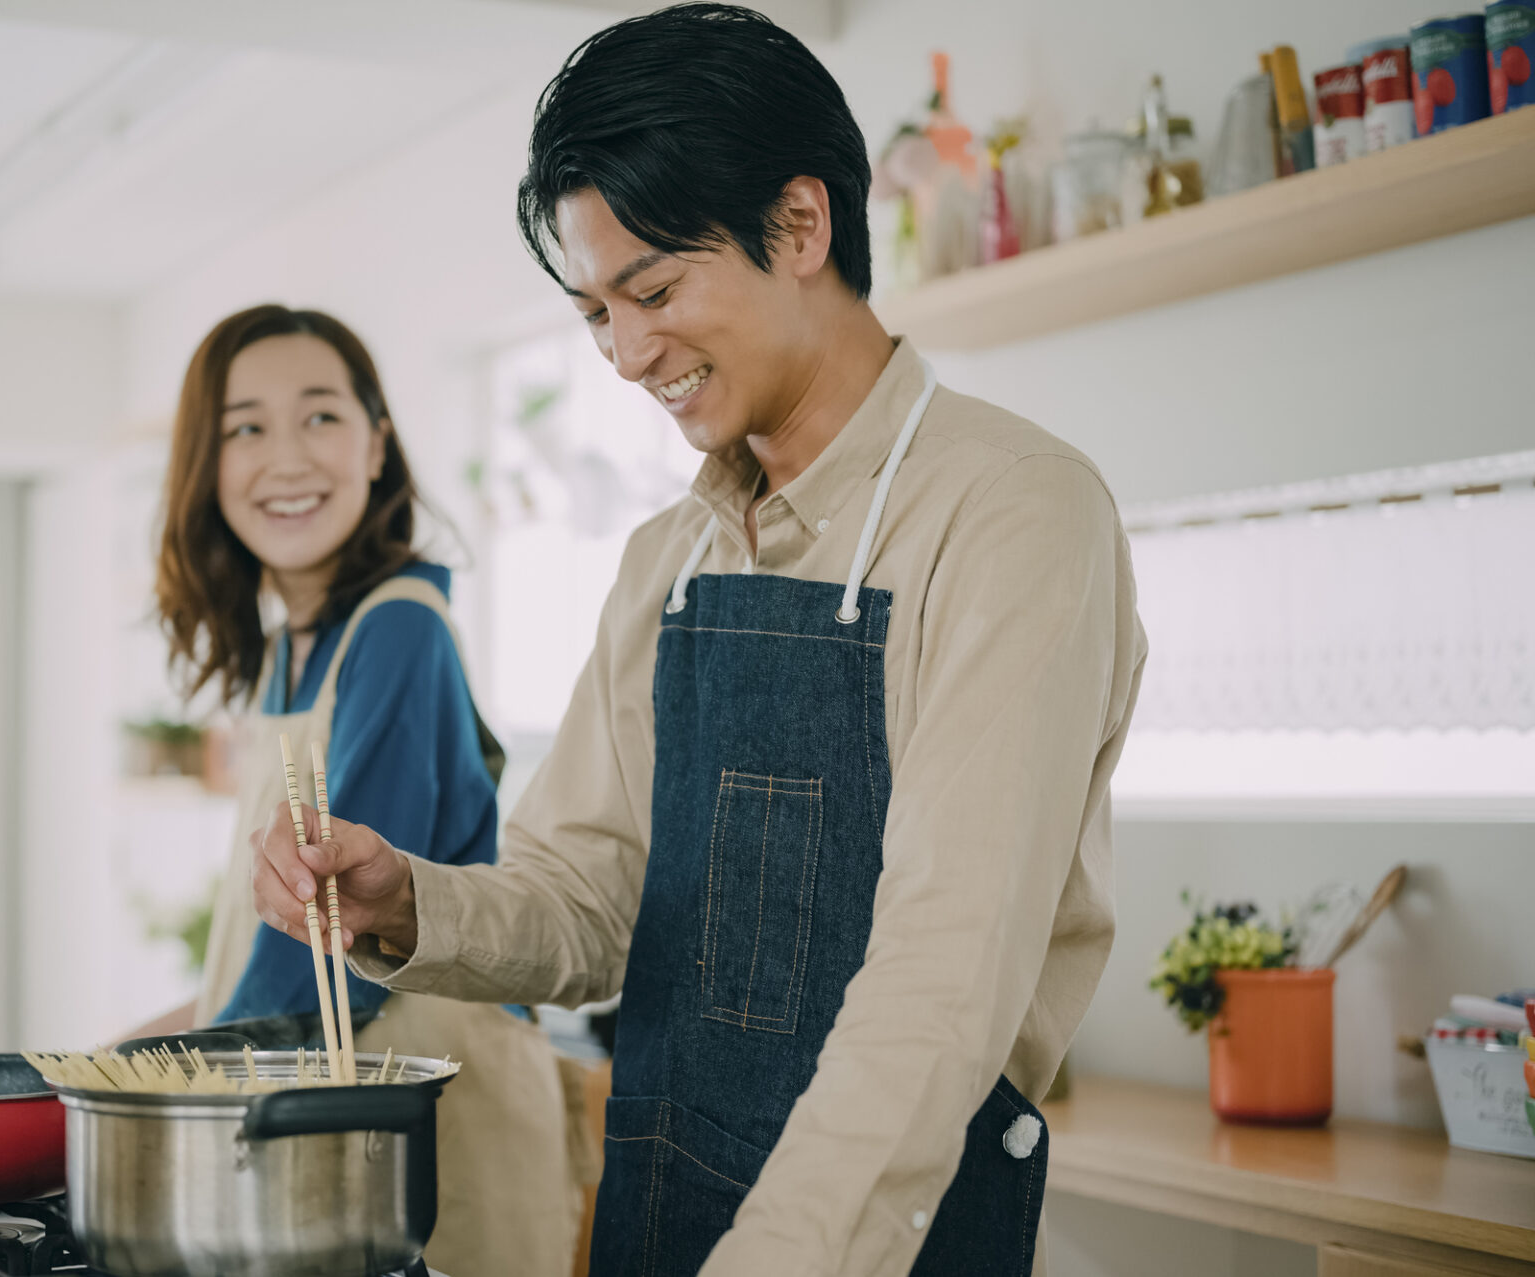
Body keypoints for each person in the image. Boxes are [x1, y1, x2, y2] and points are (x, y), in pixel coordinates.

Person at [257, 6, 1147, 1275]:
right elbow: (589, 900)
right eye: (593, 314)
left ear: (799, 226)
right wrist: (409, 900)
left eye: (655, 290)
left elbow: (942, 982)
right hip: (658, 1209)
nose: (625, 354)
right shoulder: (666, 564)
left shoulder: (1012, 510)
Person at [143, 304, 580, 1277]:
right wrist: (136, 1045)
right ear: (207, 468)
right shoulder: (285, 651)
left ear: (378, 444)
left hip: (432, 1126)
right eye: (245, 426)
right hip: (345, 1117)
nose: (286, 456)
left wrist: (144, 1091)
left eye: (322, 416)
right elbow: (266, 940)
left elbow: (324, 949)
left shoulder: (399, 630)